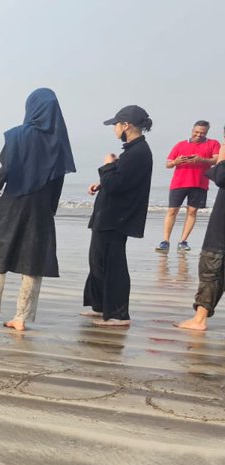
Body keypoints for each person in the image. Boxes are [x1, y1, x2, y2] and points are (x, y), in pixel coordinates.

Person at [0, 88, 76, 331]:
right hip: (41, 210)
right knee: (33, 260)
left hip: (13, 204)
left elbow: (7, 168)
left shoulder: (18, 135)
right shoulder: (59, 142)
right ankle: (21, 318)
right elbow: (59, 179)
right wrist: (50, 209)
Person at [83, 105, 154, 328]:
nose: (114, 128)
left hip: (117, 218)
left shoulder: (139, 152)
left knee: (113, 264)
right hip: (110, 215)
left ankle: (118, 314)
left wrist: (107, 166)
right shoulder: (132, 151)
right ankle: (101, 306)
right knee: (98, 260)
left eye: (116, 124)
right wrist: (103, 180)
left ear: (127, 125)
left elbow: (118, 185)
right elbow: (120, 182)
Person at [176, 147, 225, 331]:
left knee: (211, 268)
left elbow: (220, 177)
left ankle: (199, 320)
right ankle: (199, 318)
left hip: (221, 229)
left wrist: (222, 156)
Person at [156, 121, 220, 253]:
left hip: (200, 184)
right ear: (192, 130)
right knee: (172, 211)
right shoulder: (180, 144)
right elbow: (168, 164)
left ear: (207, 132)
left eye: (203, 133)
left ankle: (183, 241)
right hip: (179, 183)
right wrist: (176, 161)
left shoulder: (213, 143)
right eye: (196, 132)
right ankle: (165, 241)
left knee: (192, 212)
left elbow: (217, 160)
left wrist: (201, 160)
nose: (199, 135)